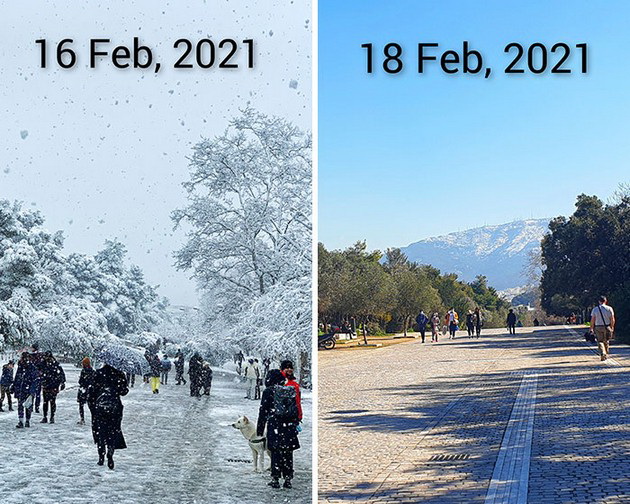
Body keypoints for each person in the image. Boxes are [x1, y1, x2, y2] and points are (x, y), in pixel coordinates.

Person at [257, 369, 300, 490]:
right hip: (288, 426)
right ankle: (288, 478)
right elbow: (295, 409)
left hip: (275, 424)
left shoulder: (268, 392)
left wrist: (260, 430)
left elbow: (263, 411)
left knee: (275, 451)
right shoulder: (289, 390)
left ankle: (275, 478)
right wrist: (295, 424)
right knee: (287, 452)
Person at [86, 363, 129, 469]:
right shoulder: (119, 374)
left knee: (100, 431)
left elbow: (91, 392)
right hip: (115, 406)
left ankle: (101, 455)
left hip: (100, 406)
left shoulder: (98, 373)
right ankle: (110, 451)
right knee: (113, 430)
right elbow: (123, 391)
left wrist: (93, 408)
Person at [11, 352, 38, 428]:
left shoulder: (32, 368)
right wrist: (14, 386)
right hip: (20, 389)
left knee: (28, 406)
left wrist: (32, 391)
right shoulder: (20, 367)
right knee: (20, 405)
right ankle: (21, 420)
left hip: (28, 390)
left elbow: (35, 380)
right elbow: (17, 377)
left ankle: (27, 420)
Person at [40, 351, 66, 424]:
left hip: (53, 385)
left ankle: (51, 416)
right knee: (46, 402)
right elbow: (38, 370)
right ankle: (45, 416)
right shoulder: (44, 364)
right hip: (47, 385)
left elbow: (61, 373)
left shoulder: (55, 364)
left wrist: (62, 382)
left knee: (52, 402)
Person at [590, 296, 616, 361]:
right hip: (607, 326)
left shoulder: (595, 309)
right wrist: (612, 327)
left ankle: (602, 353)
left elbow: (593, 320)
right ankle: (606, 354)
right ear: (605, 301)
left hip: (598, 327)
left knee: (600, 341)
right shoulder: (609, 308)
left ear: (599, 301)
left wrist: (591, 328)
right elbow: (612, 319)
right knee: (606, 341)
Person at [77, 357, 95, 425]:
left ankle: (82, 419)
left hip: (83, 390)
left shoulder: (83, 371)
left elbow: (80, 381)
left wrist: (82, 382)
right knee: (91, 406)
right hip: (90, 390)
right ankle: (93, 419)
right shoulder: (92, 371)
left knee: (81, 405)